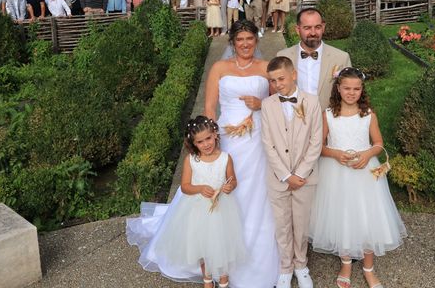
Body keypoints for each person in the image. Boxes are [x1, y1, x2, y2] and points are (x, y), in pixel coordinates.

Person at [309, 67, 406, 288]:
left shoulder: (368, 115)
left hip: (364, 173)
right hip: (336, 173)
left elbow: (379, 144)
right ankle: (346, 263)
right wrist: (335, 153)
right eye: (347, 88)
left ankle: (368, 268)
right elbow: (320, 146)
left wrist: (367, 154)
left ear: (362, 90)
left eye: (356, 89)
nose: (351, 93)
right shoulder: (328, 115)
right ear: (338, 88)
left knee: (368, 217)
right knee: (341, 217)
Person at [203, 20, 280, 288]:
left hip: (258, 140)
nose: (245, 44)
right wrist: (213, 145)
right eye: (240, 40)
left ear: (256, 41)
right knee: (231, 192)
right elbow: (210, 108)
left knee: (257, 195)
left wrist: (262, 104)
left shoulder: (266, 67)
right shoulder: (219, 68)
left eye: (249, 38)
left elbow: (280, 104)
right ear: (232, 43)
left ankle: (259, 261)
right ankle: (224, 259)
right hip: (228, 139)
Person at [127, 116, 246, 288]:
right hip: (198, 210)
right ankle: (207, 280)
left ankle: (224, 280)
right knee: (203, 247)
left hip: (222, 209)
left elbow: (232, 180)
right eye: (200, 142)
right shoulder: (191, 160)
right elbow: (185, 187)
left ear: (215, 135)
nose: (206, 144)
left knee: (222, 246)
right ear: (193, 143)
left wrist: (229, 187)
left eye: (208, 138)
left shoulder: (225, 158)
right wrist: (199, 189)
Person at [261, 57, 322, 288]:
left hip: (305, 177)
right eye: (273, 80)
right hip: (278, 178)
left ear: (293, 75)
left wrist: (301, 173)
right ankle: (285, 268)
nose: (277, 84)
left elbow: (316, 141)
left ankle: (301, 265)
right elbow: (268, 143)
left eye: (281, 78)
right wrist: (286, 175)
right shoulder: (267, 105)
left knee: (301, 223)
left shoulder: (312, 102)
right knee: (282, 224)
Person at [277, 8, 351, 109]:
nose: (313, 33)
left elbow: (349, 94)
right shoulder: (283, 57)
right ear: (298, 30)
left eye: (317, 27)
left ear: (323, 27)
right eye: (307, 28)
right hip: (294, 119)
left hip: (327, 119)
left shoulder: (341, 58)